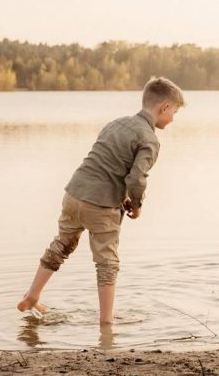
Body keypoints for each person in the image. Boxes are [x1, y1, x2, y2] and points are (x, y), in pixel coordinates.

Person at [16, 77, 185, 325]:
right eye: (175, 112)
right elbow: (136, 179)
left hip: (74, 194)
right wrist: (136, 206)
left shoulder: (115, 123)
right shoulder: (150, 139)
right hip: (101, 205)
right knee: (107, 263)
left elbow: (108, 162)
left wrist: (124, 198)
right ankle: (106, 323)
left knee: (61, 245)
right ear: (164, 108)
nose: (173, 119)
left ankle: (32, 295)